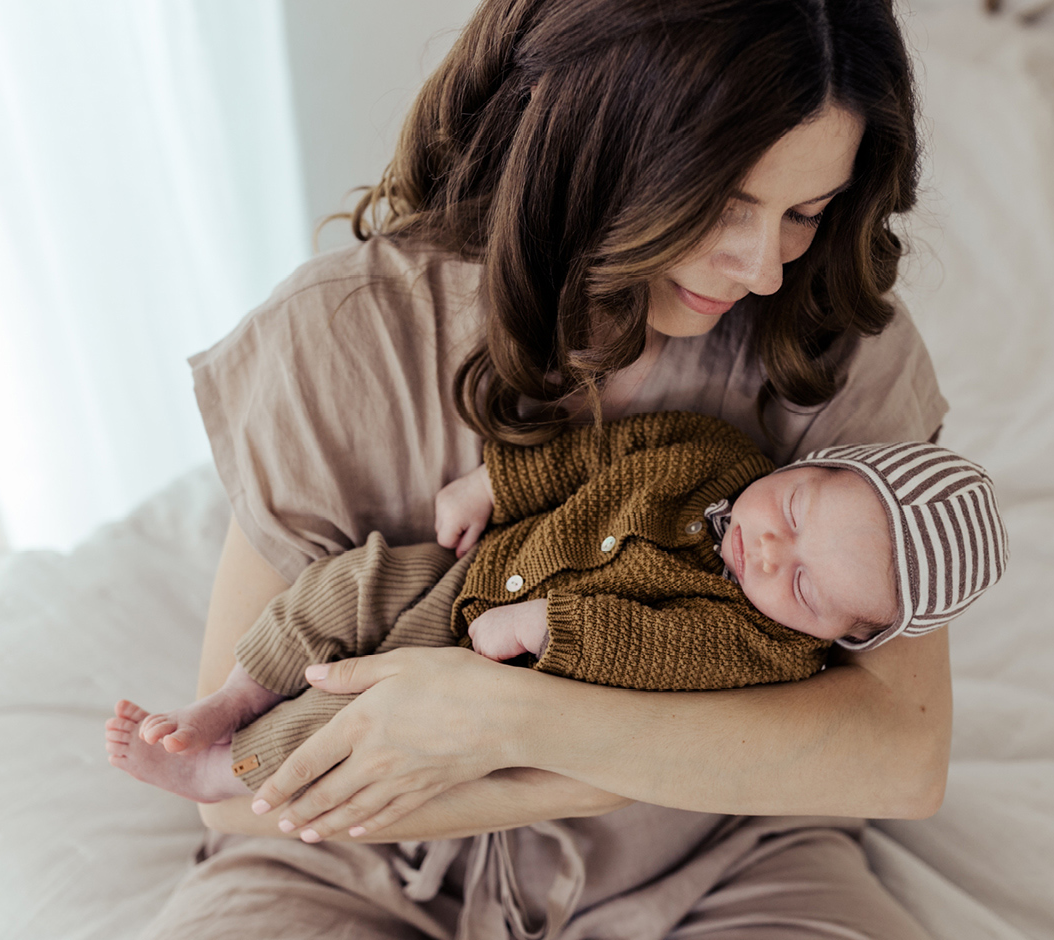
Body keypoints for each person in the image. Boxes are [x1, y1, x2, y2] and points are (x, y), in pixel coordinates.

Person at [122, 0, 961, 935]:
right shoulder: (338, 340)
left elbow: (901, 756)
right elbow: (228, 793)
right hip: (341, 862)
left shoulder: (833, 342)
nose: (763, 267)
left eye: (805, 211)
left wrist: (510, 724)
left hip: (710, 857)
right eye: (722, 202)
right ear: (587, 143)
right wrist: (633, 753)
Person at [106, 414, 1006, 805]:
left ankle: (228, 771)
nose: (771, 550)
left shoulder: (763, 648)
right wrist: (491, 480)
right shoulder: (718, 453)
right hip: (471, 570)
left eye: (806, 586)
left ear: (846, 636)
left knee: (341, 717)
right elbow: (599, 452)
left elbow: (660, 653)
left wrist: (547, 627)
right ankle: (229, 697)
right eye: (799, 511)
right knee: (340, 586)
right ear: (819, 463)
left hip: (481, 665)